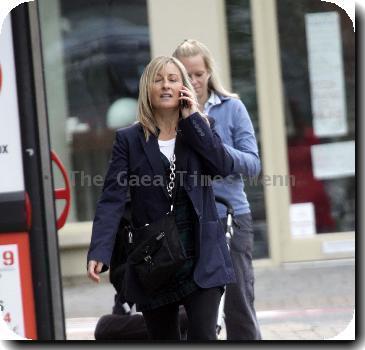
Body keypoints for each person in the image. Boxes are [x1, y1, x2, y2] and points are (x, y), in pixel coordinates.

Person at [87, 55, 236, 341]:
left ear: (183, 87)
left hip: (202, 256)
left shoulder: (200, 127)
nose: (165, 85)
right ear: (147, 90)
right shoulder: (129, 140)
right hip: (155, 260)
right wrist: (99, 251)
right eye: (158, 80)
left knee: (205, 336)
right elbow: (112, 199)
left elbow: (223, 167)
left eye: (172, 79)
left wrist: (193, 119)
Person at [173, 39, 262, 340]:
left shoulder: (232, 107)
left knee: (238, 306)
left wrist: (214, 148)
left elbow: (252, 164)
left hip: (231, 216)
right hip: (187, 221)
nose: (194, 81)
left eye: (199, 74)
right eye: (187, 75)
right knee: (193, 311)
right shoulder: (165, 113)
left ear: (209, 73)